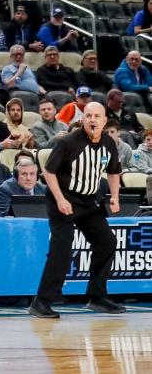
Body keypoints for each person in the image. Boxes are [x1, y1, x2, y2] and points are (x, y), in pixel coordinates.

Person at [29, 102, 125, 318]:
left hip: (89, 201)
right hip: (62, 199)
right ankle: (41, 301)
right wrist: (61, 199)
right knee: (62, 247)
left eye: (96, 116)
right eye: (88, 116)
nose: (92, 120)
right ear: (83, 119)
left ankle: (97, 296)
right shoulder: (69, 142)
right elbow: (49, 172)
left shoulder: (108, 143)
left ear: (104, 120)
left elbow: (113, 172)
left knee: (107, 241)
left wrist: (115, 197)